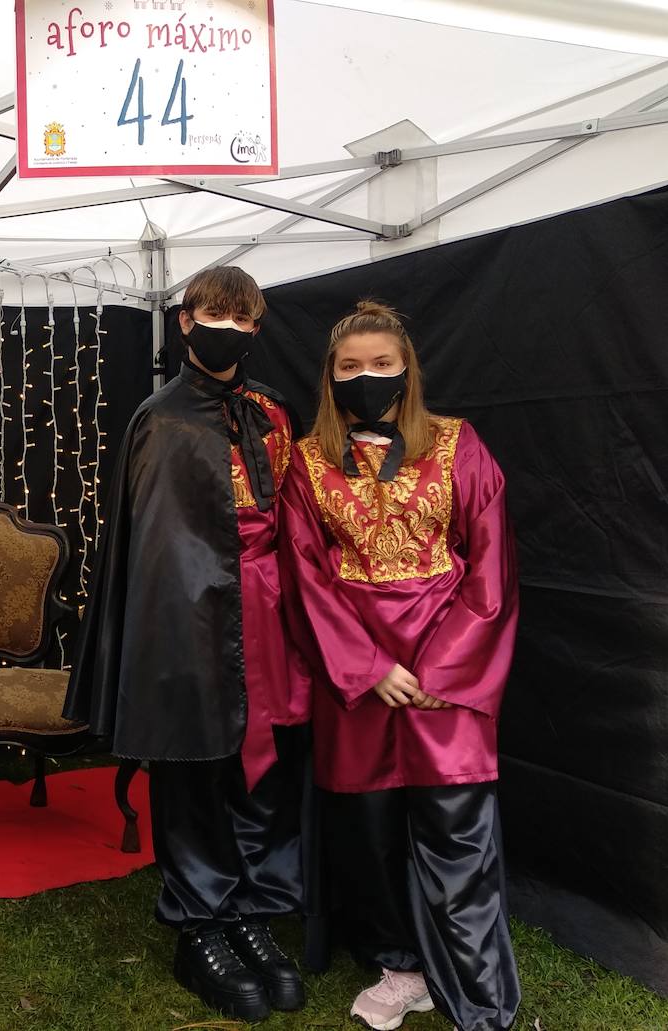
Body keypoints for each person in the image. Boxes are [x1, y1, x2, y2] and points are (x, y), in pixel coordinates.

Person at [64, 266, 309, 1022]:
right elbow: (152, 542)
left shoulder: (274, 412)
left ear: (256, 329)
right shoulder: (160, 418)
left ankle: (252, 909)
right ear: (185, 321)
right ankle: (200, 919)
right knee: (195, 763)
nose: (225, 329)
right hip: (189, 616)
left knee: (265, 764)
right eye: (212, 315)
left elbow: (294, 515)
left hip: (270, 613)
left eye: (241, 319)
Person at [278, 300, 521, 1031]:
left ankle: (480, 994)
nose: (367, 376)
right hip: (357, 674)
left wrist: (448, 672)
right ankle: (401, 967)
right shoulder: (306, 463)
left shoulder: (458, 444)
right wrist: (366, 668)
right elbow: (303, 576)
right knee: (369, 831)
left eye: (382, 363)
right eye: (350, 366)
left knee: (458, 832)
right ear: (330, 377)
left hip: (447, 666)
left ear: (406, 369)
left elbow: (492, 563)